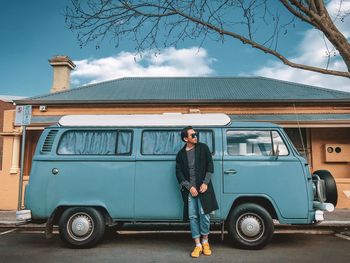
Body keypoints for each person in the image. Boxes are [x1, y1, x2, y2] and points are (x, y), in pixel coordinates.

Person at [175, 126, 219, 258]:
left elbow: (210, 166)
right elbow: (178, 173)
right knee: (193, 217)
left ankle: (205, 242)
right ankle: (197, 245)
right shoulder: (181, 154)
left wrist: (205, 183)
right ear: (185, 138)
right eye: (192, 135)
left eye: (196, 134)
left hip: (203, 189)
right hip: (191, 191)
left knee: (204, 216)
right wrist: (190, 187)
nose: (196, 136)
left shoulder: (203, 148)